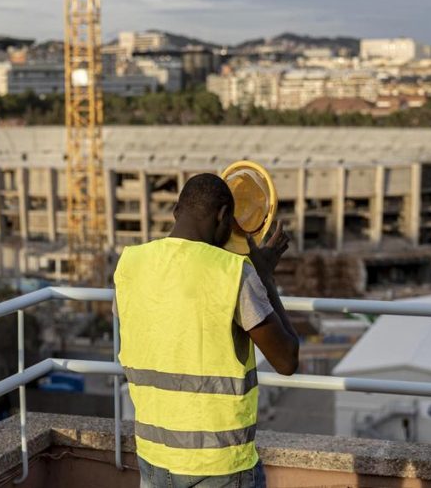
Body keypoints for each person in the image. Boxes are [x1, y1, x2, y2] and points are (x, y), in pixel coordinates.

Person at [114, 173, 300, 488]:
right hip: (219, 465)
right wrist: (265, 276)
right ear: (224, 216)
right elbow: (287, 360)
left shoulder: (130, 264)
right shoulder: (233, 273)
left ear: (177, 212)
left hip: (153, 458)